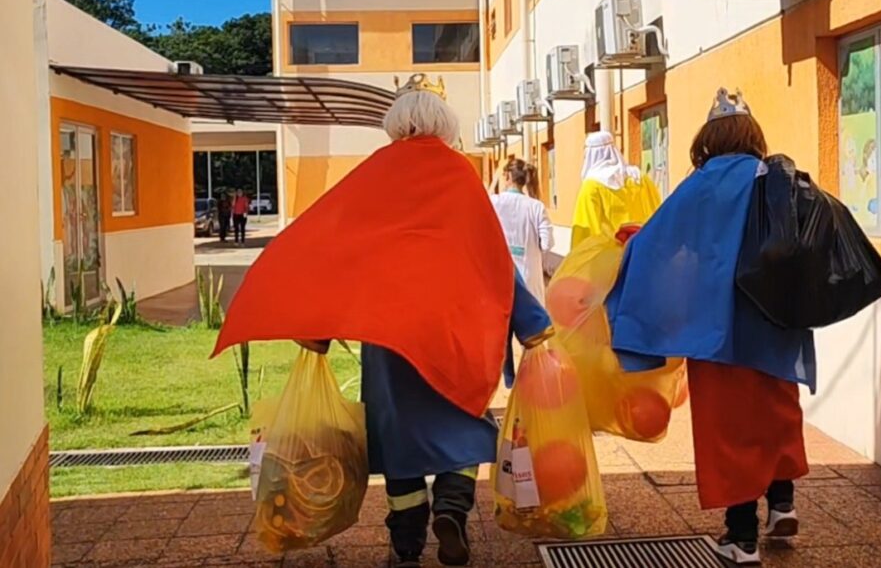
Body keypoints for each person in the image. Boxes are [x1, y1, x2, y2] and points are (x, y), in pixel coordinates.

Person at [212, 74, 554, 568]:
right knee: (462, 420)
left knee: (397, 439)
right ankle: (453, 512)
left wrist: (317, 329)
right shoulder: (459, 176)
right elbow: (492, 258)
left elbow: (340, 252)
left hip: (390, 337)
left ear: (395, 123)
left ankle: (407, 541)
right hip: (456, 329)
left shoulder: (375, 174)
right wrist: (532, 322)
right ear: (445, 124)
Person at [606, 88, 815, 565]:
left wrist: (633, 243)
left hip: (717, 327)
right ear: (751, 135)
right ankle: (781, 504)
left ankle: (740, 537)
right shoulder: (774, 178)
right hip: (778, 320)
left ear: (709, 138)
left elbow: (660, 244)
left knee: (730, 428)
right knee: (777, 412)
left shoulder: (699, 187)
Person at [571, 130, 661, 247]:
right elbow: (657, 210)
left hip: (612, 258)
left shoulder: (591, 186)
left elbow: (584, 233)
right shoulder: (640, 178)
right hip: (644, 250)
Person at [490, 158, 554, 301]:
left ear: (508, 177)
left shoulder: (495, 202)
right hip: (530, 281)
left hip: (501, 278)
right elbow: (547, 243)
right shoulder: (536, 206)